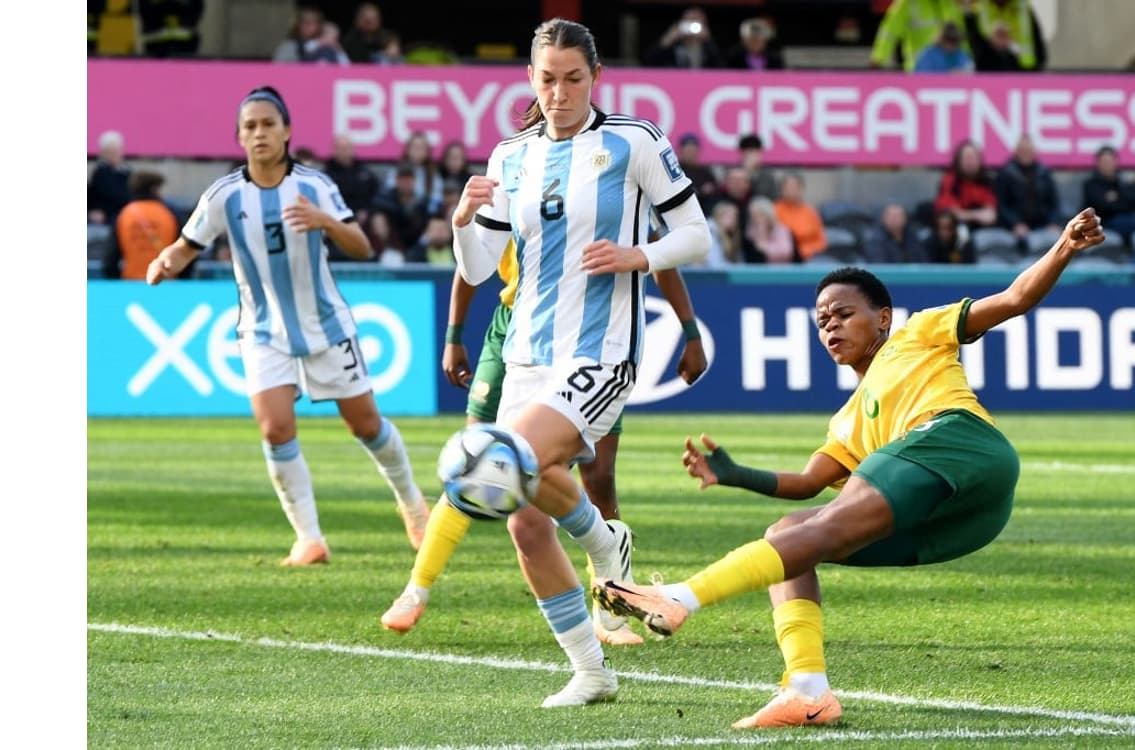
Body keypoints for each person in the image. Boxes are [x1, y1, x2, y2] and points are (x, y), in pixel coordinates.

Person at [594, 209, 1108, 729]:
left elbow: (1015, 299)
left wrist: (1064, 245)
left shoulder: (916, 334)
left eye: (843, 314)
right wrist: (735, 474)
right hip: (960, 521)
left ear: (883, 318)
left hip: (960, 443)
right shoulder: (846, 422)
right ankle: (808, 690)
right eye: (822, 321)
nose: (831, 326)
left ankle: (679, 597)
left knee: (815, 529)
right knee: (791, 535)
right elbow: (806, 485)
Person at [379, 18, 710, 707]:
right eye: (547, 79)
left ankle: (578, 554)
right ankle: (592, 667)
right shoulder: (509, 157)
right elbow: (476, 265)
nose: (559, 93)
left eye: (573, 78)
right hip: (526, 351)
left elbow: (695, 234)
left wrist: (638, 257)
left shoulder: (634, 142)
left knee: (504, 463)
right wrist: (464, 221)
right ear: (530, 80)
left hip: (601, 349)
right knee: (527, 521)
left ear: (596, 78)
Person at [145, 86, 430, 566]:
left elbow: (361, 246)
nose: (259, 133)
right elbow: (187, 244)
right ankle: (309, 538)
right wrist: (164, 262)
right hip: (261, 331)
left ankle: (413, 505)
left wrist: (326, 222)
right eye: (250, 126)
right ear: (239, 137)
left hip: (325, 326)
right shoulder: (224, 195)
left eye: (268, 124)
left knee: (365, 424)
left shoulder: (315, 187)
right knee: (275, 429)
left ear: (287, 131)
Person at [104, 170, 183, 280]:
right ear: (154, 189)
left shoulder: (123, 215)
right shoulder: (170, 214)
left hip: (131, 281)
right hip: (165, 281)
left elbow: (110, 258)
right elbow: (185, 250)